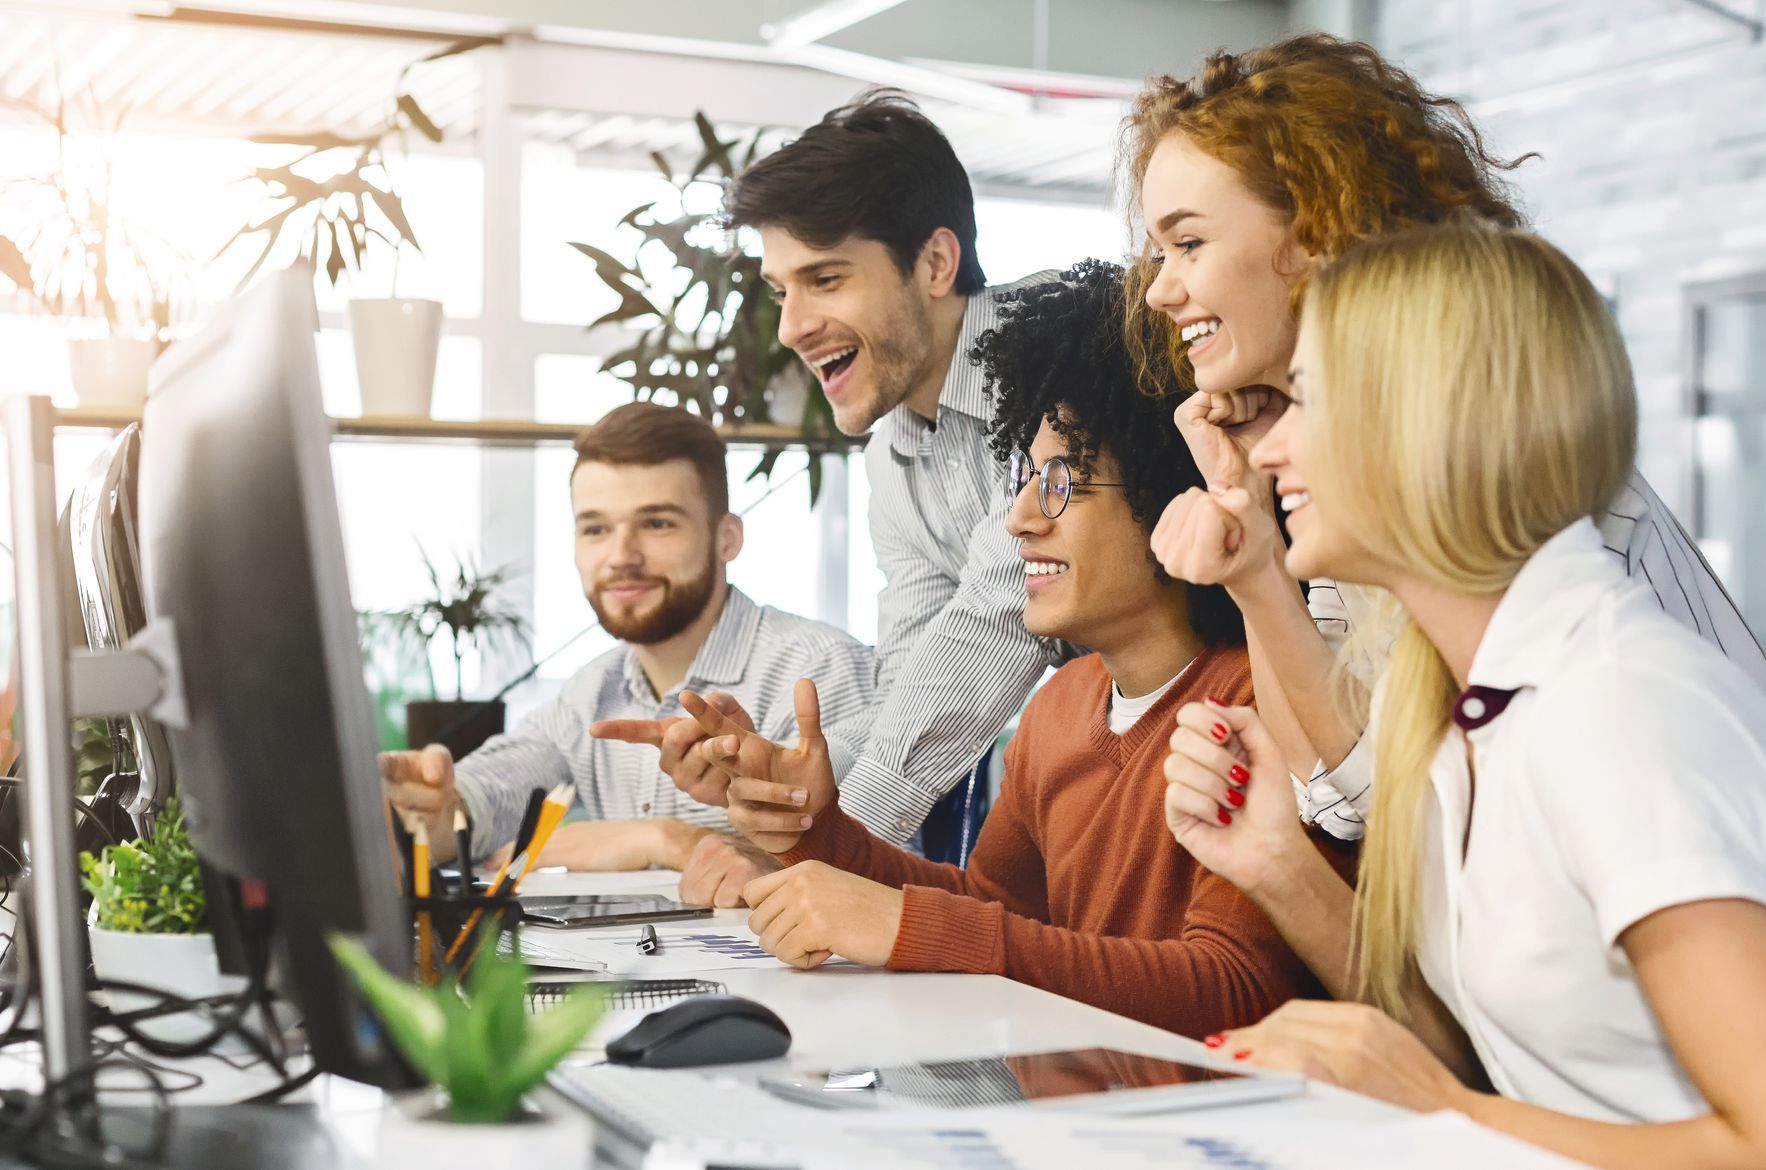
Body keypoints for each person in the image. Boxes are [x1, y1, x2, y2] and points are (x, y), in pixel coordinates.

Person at [1164, 223, 1766, 1169]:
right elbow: (1487, 1061)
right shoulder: (1467, 705)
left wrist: (1441, 1111)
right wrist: (1277, 860)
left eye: (1308, 401)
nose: (1273, 447)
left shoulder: (1618, 711)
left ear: (1430, 423)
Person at [1131, 36, 1766, 842]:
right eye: (1158, 252)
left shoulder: (1471, 442)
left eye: (1188, 243)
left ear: (1312, 230)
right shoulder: (1353, 456)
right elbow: (1337, 799)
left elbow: (1387, 799)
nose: (1161, 289)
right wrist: (1255, 547)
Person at [691, 261, 1351, 1038]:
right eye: (1026, 478)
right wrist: (820, 832)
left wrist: (908, 926)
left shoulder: (1263, 704)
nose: (1021, 519)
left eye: (1063, 482)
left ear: (1169, 491)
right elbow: (999, 915)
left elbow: (1232, 988)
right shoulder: (1064, 708)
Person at [601, 91, 1058, 854]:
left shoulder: (1051, 353)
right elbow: (917, 672)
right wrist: (789, 783)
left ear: (936, 263)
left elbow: (996, 625)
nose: (789, 328)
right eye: (782, 291)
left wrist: (822, 841)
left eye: (826, 279)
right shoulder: (896, 453)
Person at [379, 403, 876, 877]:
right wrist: (431, 804)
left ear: (727, 539)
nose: (621, 556)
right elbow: (489, 795)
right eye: (595, 528)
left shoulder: (820, 671)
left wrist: (666, 840)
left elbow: (870, 863)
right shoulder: (594, 691)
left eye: (657, 523)